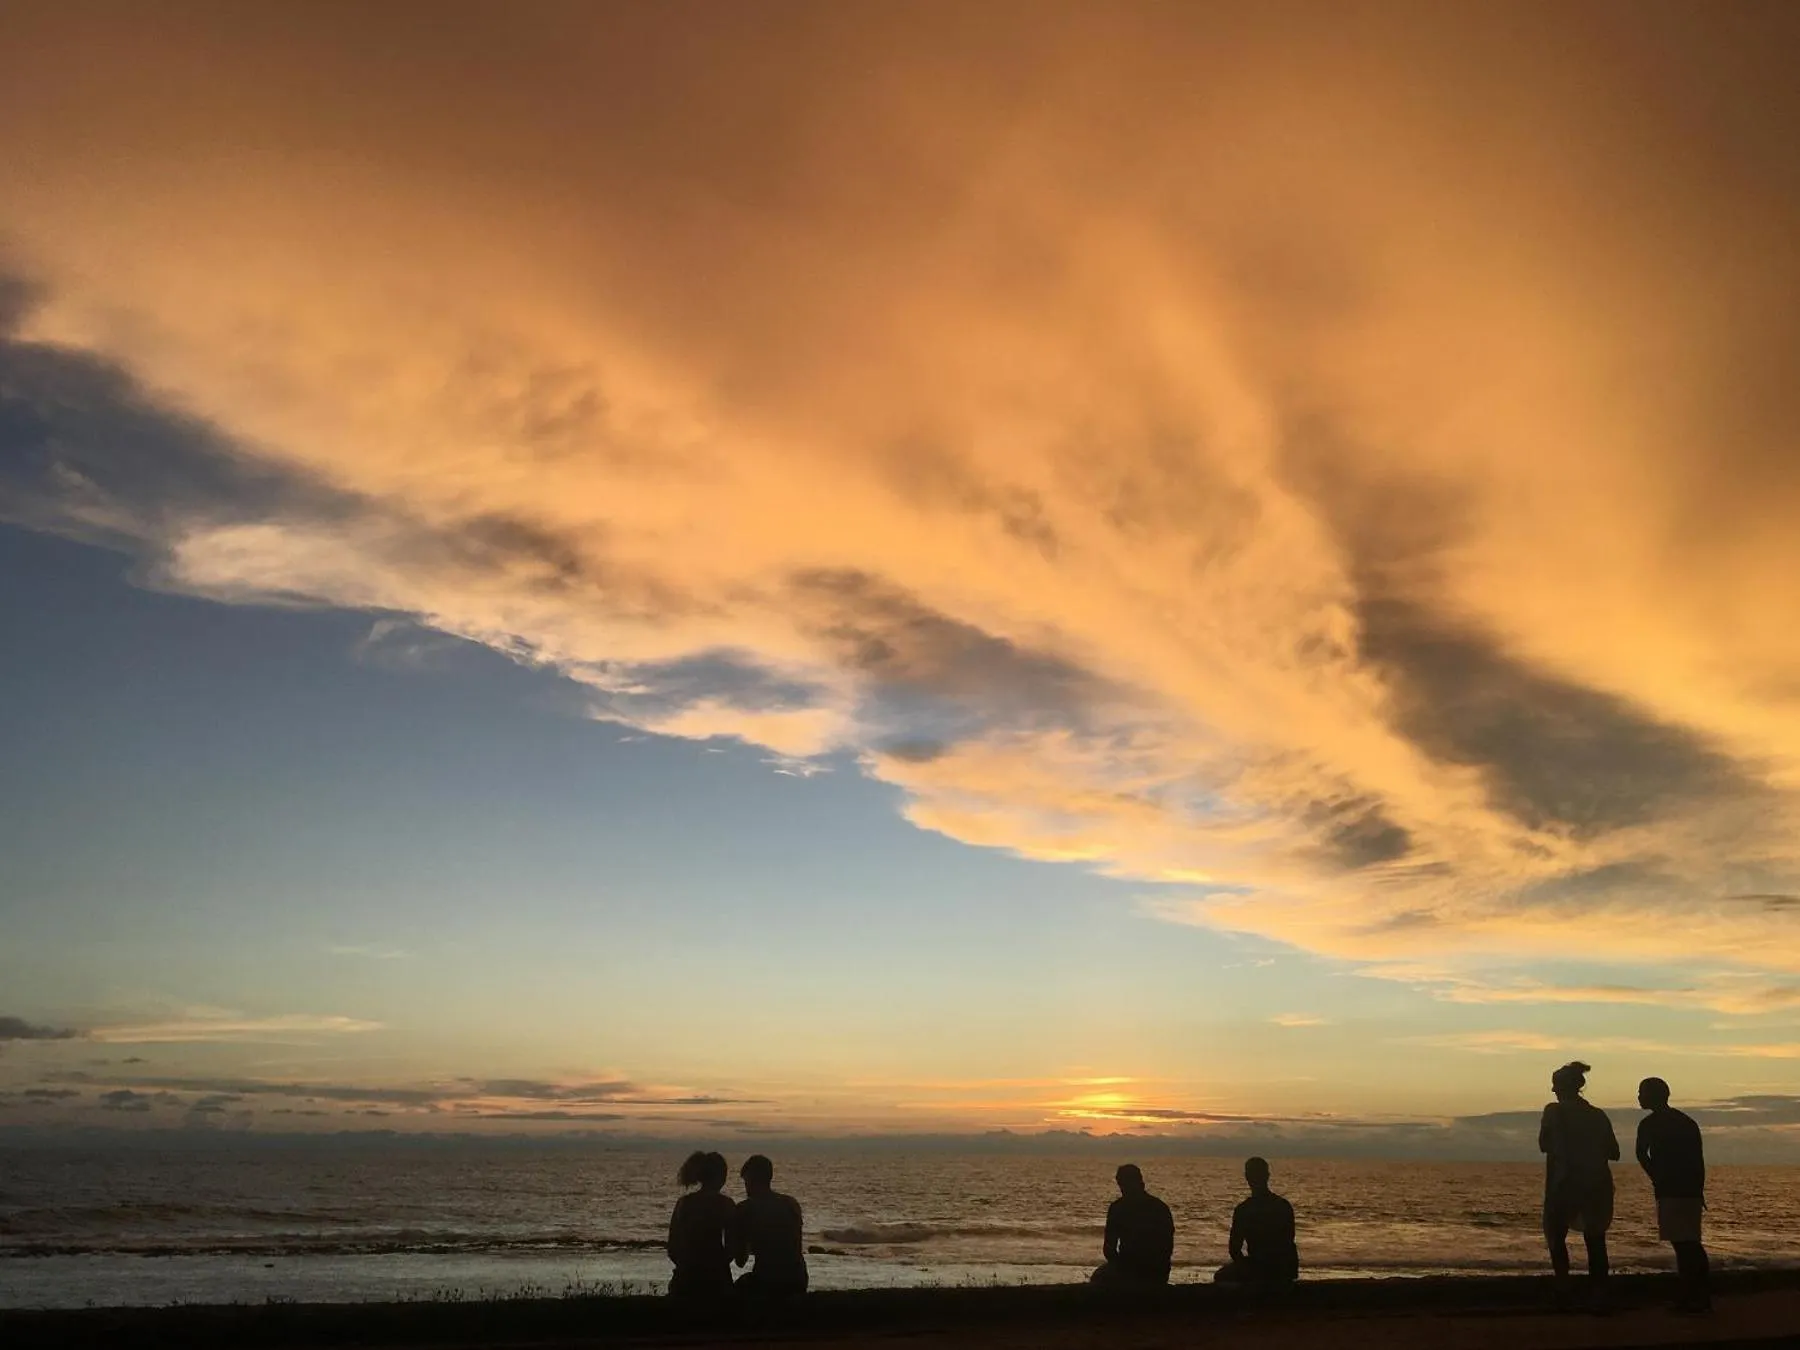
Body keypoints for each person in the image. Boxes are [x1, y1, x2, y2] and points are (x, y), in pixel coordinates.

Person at [1540, 1060, 1619, 1307]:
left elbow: (1544, 1144)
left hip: (1564, 1182)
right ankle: (1600, 1294)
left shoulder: (1553, 1111)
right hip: (1597, 1183)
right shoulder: (1598, 1115)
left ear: (1562, 1088)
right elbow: (1614, 1152)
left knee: (1556, 1237)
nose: (1552, 1090)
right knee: (1595, 1241)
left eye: (1555, 1085)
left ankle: (1563, 1290)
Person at [1636, 1077, 1710, 1313]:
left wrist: (1657, 1176)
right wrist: (1698, 1189)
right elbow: (1698, 1161)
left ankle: (1692, 1297)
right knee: (1690, 1244)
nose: (1638, 1096)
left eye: (1642, 1092)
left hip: (1674, 1190)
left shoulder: (1650, 1124)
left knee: (1684, 1245)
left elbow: (1641, 1154)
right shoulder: (1686, 1122)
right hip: (1688, 1189)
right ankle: (1698, 1296)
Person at [732, 1154, 808, 1298]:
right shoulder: (791, 1203)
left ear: (751, 1180)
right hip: (798, 1279)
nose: (746, 1188)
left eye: (746, 1183)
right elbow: (794, 1245)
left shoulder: (745, 1208)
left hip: (768, 1281)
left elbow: (740, 1261)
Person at [1214, 1157, 1298, 1285]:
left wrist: (1246, 1266)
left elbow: (1234, 1250)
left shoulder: (1244, 1210)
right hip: (1285, 1268)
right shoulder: (1283, 1205)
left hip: (1260, 1268)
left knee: (1220, 1276)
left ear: (1247, 1177)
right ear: (1268, 1176)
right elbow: (1289, 1240)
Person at [1090, 1163, 1175, 1287]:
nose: (1122, 1188)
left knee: (1098, 1278)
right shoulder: (1159, 1207)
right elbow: (1167, 1247)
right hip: (1157, 1271)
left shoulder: (1117, 1208)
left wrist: (1120, 1267)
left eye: (1123, 1184)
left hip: (1133, 1270)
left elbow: (1109, 1248)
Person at [666, 1151, 734, 1301]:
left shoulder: (683, 1203)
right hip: (718, 1280)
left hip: (685, 1278)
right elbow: (731, 1247)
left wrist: (687, 1265)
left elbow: (672, 1247)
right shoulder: (726, 1204)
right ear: (721, 1176)